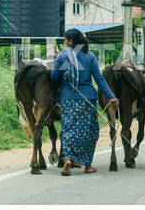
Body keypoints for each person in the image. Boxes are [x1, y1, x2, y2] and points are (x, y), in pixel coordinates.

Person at [50, 28, 118, 176]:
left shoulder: (62, 56)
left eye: (65, 39)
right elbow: (99, 79)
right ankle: (88, 165)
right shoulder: (90, 56)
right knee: (90, 131)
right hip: (88, 99)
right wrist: (111, 97)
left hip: (68, 99)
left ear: (71, 41)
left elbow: (54, 77)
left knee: (68, 129)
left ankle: (68, 158)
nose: (64, 42)